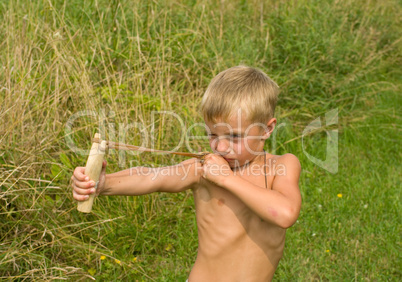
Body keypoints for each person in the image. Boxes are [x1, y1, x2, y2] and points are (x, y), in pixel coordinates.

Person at [71, 66, 301, 281]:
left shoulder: (281, 166)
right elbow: (152, 176)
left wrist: (227, 179)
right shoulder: (204, 169)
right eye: (213, 135)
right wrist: (104, 184)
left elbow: (285, 213)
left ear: (268, 129)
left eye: (234, 137)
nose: (220, 148)